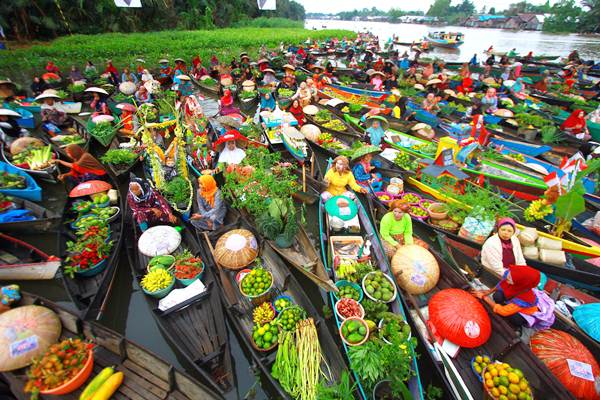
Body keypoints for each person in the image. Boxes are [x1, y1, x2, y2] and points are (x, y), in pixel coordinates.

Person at [471, 264, 555, 330]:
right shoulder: (512, 276)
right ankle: (503, 305)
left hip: (524, 312)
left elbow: (503, 311)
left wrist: (484, 297)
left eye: (510, 278)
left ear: (520, 282)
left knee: (515, 318)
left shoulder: (525, 299)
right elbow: (502, 283)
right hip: (512, 298)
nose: (507, 277)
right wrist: (489, 291)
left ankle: (514, 323)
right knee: (497, 295)